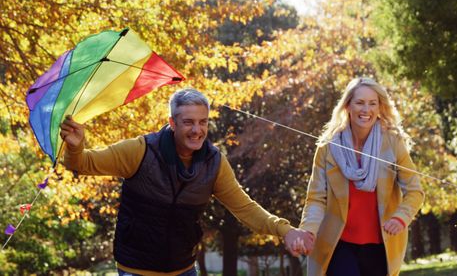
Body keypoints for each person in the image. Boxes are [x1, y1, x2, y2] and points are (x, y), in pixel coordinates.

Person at [59, 88, 313, 276]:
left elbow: (245, 208)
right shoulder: (140, 150)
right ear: (172, 123)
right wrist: (76, 147)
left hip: (183, 268)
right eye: (188, 122)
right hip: (136, 267)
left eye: (203, 122)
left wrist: (286, 231)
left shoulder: (214, 163)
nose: (197, 130)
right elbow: (83, 163)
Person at [297, 77, 424, 276]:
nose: (366, 110)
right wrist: (308, 231)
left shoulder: (392, 143)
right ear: (348, 105)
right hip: (338, 245)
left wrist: (401, 218)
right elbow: (316, 198)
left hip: (382, 245)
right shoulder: (328, 147)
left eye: (372, 103)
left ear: (380, 107)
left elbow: (415, 191)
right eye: (360, 103)